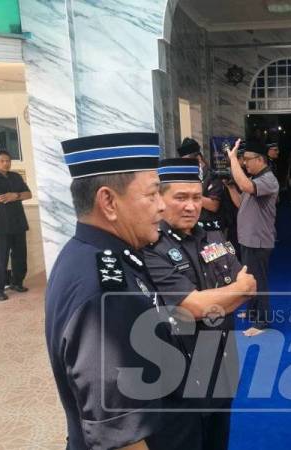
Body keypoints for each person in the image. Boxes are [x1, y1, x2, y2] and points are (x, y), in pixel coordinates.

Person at [45, 132, 202, 450]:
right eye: (152, 195)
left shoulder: (100, 255)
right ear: (108, 202)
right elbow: (120, 434)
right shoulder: (104, 292)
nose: (162, 207)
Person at [144, 157, 256, 450]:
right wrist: (232, 293)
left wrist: (226, 295)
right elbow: (191, 308)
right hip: (179, 375)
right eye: (180, 198)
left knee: (219, 440)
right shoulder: (150, 246)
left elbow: (249, 286)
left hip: (221, 361)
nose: (191, 206)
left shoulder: (212, 233)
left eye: (196, 197)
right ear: (159, 199)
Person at [224, 139, 279, 336]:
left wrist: (232, 160)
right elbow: (241, 203)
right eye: (242, 160)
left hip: (258, 240)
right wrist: (231, 187)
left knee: (259, 281)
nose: (244, 163)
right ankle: (252, 312)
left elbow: (246, 187)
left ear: (260, 159)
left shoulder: (268, 180)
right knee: (249, 277)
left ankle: (262, 322)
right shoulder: (256, 180)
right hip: (248, 238)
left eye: (247, 160)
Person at [0, 150, 32, 301]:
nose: (6, 163)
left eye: (8, 160)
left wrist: (15, 195)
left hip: (18, 222)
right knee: (0, 257)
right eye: (2, 161)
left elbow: (28, 194)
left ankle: (17, 282)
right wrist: (17, 194)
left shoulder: (16, 176)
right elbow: (0, 198)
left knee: (20, 255)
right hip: (0, 224)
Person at [177, 137, 224, 227]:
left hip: (211, 228)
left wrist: (190, 194)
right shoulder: (190, 176)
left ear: (198, 158)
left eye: (187, 161)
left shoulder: (212, 175)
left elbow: (213, 206)